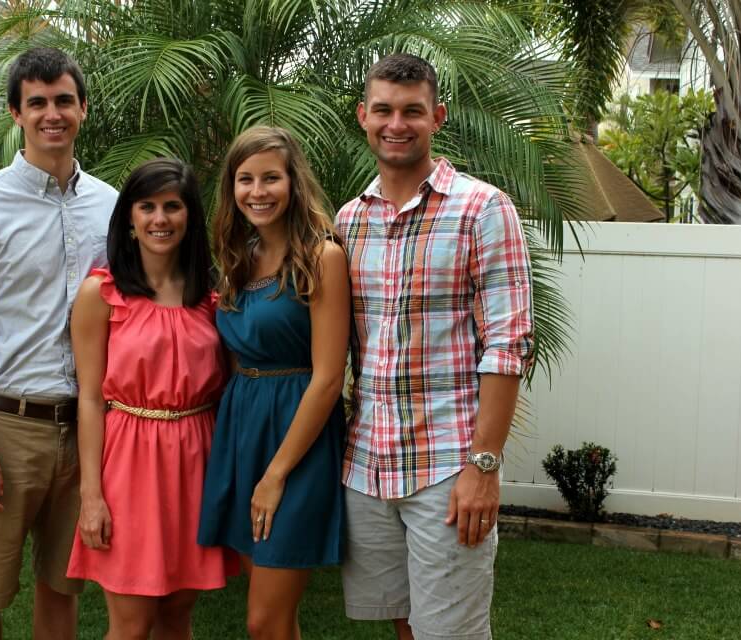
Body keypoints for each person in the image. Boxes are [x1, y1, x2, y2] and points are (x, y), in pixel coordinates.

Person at [335, 53, 534, 640]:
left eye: (412, 112)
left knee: (451, 633)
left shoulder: (483, 209)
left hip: (449, 467)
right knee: (404, 624)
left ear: (437, 117)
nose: (397, 124)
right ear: (363, 117)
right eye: (384, 111)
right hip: (367, 466)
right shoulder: (350, 221)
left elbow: (507, 343)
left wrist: (484, 467)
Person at [0, 47, 118, 640]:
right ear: (16, 112)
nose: (52, 114)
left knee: (61, 586)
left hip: (88, 429)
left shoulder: (112, 207)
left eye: (63, 100)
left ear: (83, 108)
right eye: (36, 102)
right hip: (6, 428)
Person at [66, 157, 232, 640]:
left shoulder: (211, 295)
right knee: (132, 623)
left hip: (196, 460)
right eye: (148, 207)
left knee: (178, 614)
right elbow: (91, 400)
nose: (160, 219)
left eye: (173, 207)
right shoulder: (102, 293)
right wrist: (91, 495)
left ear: (189, 217)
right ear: (130, 219)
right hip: (130, 463)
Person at [197, 126, 350, 640]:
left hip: (297, 437)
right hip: (243, 429)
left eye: (270, 178)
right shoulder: (238, 259)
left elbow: (329, 379)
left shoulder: (321, 257)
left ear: (293, 182)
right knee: (275, 619)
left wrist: (276, 474)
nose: (257, 191)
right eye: (245, 179)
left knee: (264, 619)